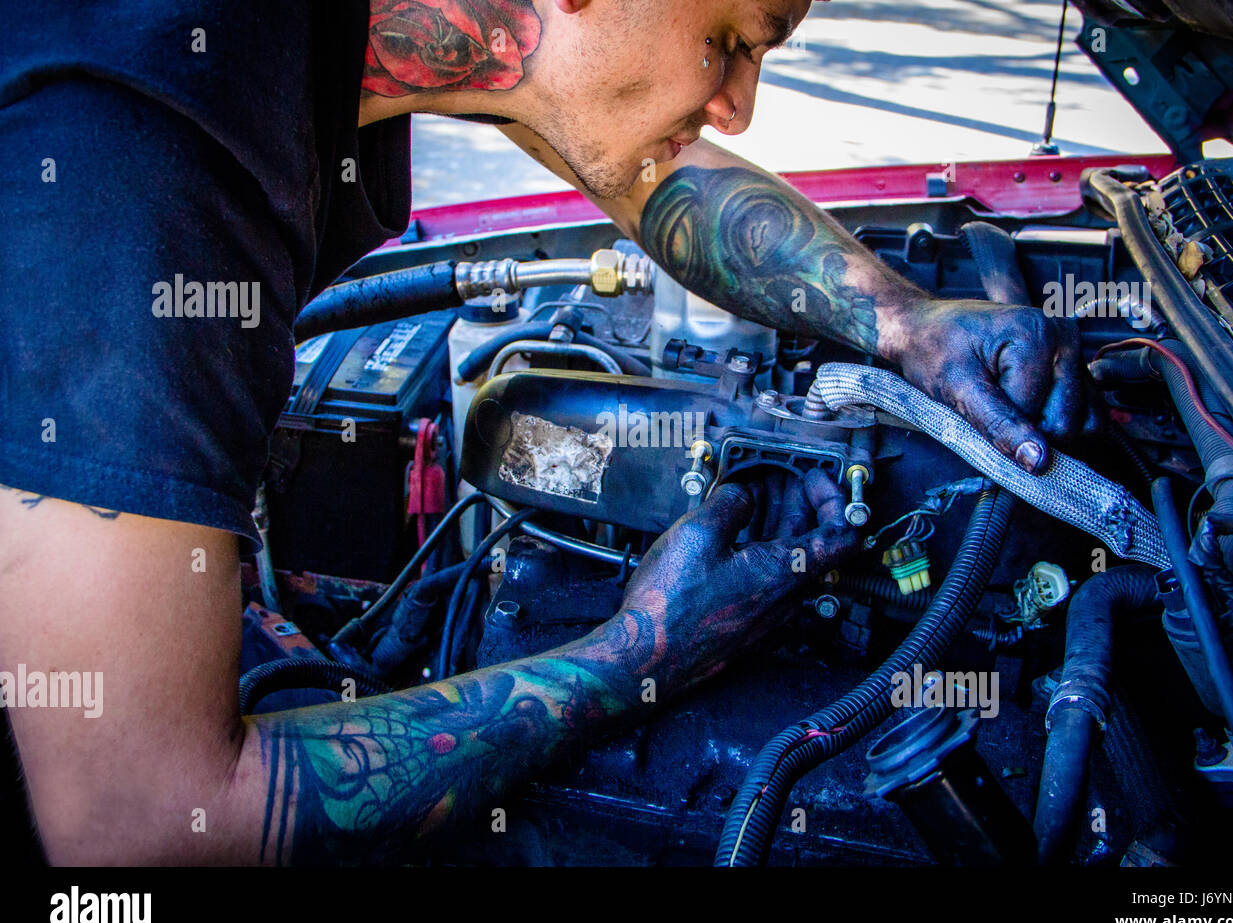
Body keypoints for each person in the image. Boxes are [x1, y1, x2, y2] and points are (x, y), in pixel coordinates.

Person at [0, 0, 1082, 864]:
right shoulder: (136, 156)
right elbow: (138, 823)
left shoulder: (382, 33)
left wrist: (900, 317)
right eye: (728, 42)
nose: (741, 105)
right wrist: (638, 650)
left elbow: (657, 177)